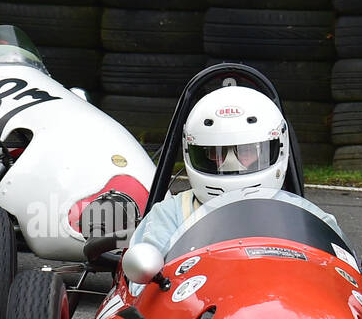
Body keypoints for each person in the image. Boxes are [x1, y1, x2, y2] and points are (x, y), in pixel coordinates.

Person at [128, 85, 348, 257]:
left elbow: (343, 280)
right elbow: (140, 287)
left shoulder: (307, 216)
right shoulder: (171, 215)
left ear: (277, 148)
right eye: (216, 153)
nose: (230, 165)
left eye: (246, 152)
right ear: (194, 152)